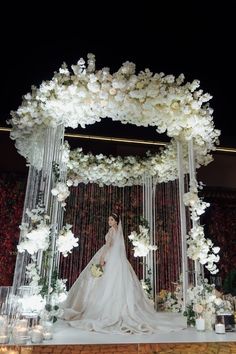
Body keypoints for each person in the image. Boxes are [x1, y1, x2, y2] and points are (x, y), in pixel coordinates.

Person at [61, 213, 185, 334]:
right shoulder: (118, 232)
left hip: (108, 256)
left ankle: (101, 309)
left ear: (115, 221)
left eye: (111, 220)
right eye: (109, 220)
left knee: (101, 282)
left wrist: (102, 258)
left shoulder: (111, 231)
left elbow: (108, 246)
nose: (109, 222)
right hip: (118, 260)